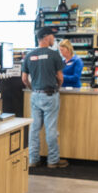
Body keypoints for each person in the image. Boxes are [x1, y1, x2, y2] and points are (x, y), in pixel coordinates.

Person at [22, 27, 69, 168]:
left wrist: (33, 90)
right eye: (52, 36)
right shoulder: (54, 55)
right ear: (46, 37)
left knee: (34, 129)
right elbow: (60, 78)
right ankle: (53, 161)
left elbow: (24, 79)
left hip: (35, 95)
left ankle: (33, 160)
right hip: (50, 95)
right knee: (51, 128)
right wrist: (57, 88)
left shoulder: (29, 56)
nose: (54, 39)